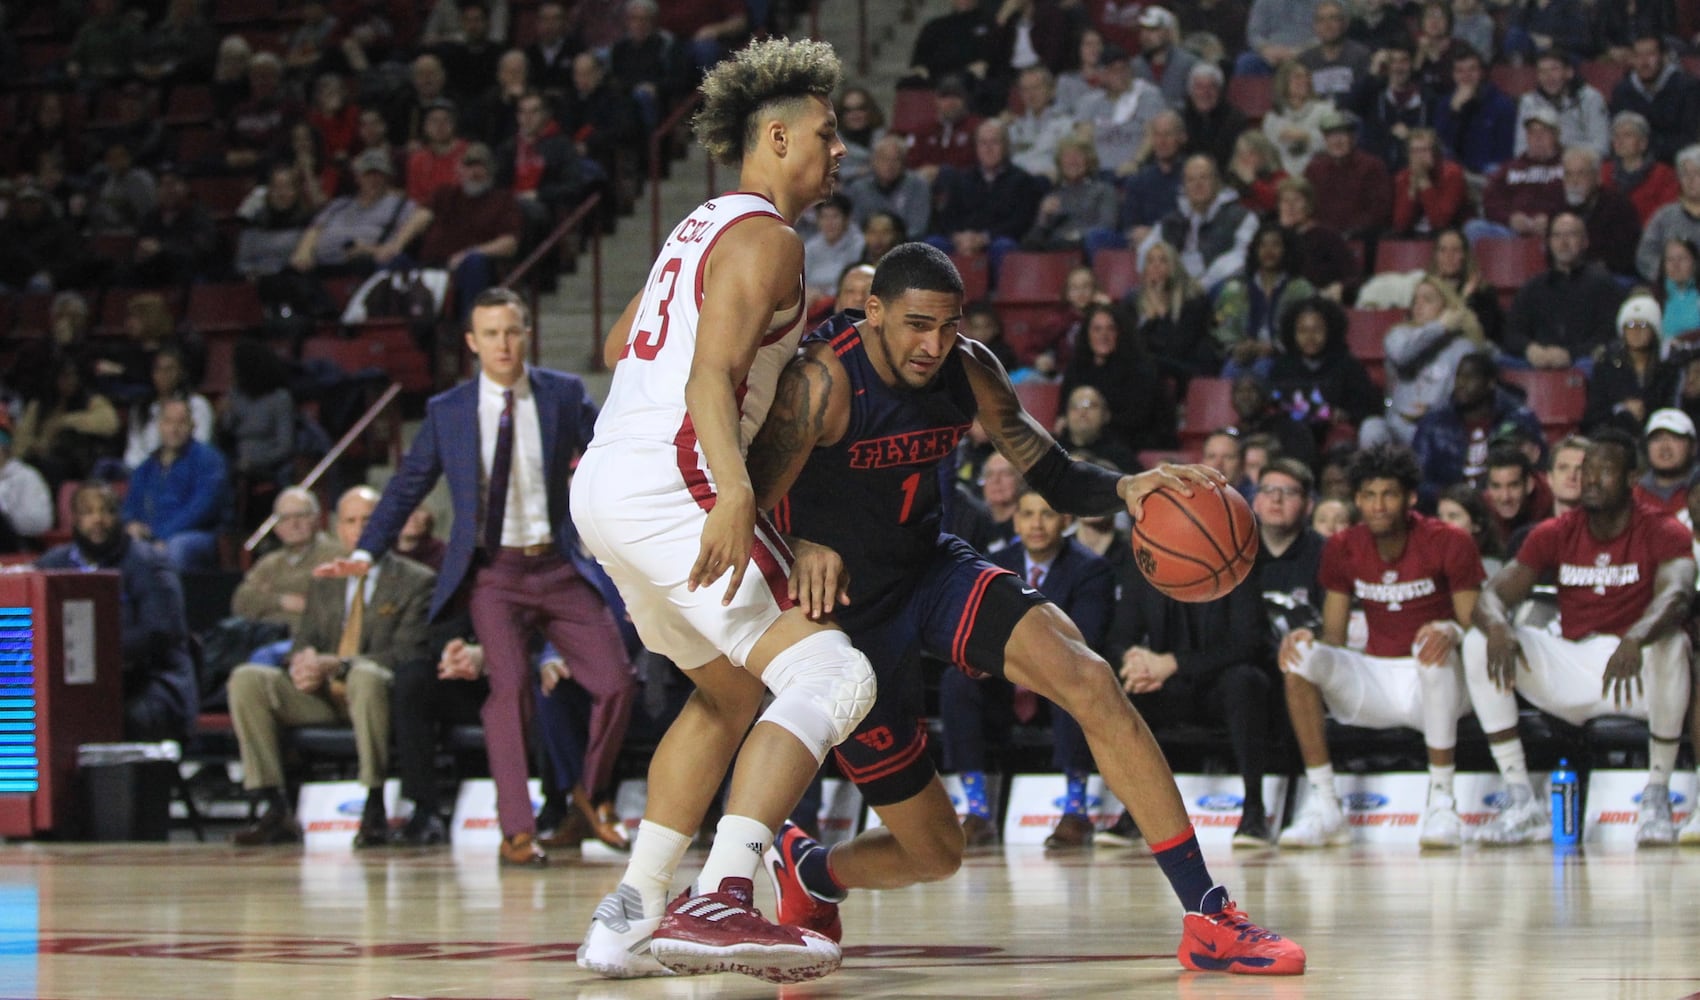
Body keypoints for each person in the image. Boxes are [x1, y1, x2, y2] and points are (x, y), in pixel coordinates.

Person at [748, 241, 1306, 975]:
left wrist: (1127, 488)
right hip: (844, 617)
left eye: (948, 326)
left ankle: (1208, 915)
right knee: (935, 852)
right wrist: (805, 542)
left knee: (1089, 678)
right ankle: (814, 874)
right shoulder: (821, 385)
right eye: (917, 325)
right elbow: (742, 502)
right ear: (872, 312)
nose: (933, 345)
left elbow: (1051, 470)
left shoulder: (967, 367)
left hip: (929, 570)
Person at [569, 39, 869, 984]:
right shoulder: (771, 238)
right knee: (834, 675)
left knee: (728, 692)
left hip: (604, 485)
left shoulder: (698, 227)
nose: (839, 153)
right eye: (827, 135)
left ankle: (630, 910)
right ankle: (724, 895)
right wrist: (735, 488)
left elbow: (625, 342)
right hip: (677, 479)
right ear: (775, 137)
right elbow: (709, 371)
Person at [318, 288, 635, 864]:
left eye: (512, 331)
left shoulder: (564, 394)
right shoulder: (450, 410)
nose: (503, 344)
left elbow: (612, 458)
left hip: (559, 565)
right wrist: (366, 553)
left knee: (616, 681)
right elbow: (407, 485)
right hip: (495, 572)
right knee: (509, 688)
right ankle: (517, 830)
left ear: (526, 333)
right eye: (491, 334)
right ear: (472, 342)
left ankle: (589, 797)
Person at [1463, 430, 1697, 846]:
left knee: (1672, 642)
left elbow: (1678, 594)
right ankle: (1521, 800)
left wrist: (1636, 635)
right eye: (1586, 470)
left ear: (1631, 477)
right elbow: (1493, 595)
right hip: (1573, 663)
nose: (1590, 479)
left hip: (1637, 671)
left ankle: (1657, 796)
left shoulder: (1662, 529)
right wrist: (1499, 625)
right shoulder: (1554, 531)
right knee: (1479, 640)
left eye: (1604, 470)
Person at [1277, 445, 1483, 849]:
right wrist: (1309, 638)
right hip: (1377, 676)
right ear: (1356, 500)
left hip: (1439, 684)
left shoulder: (1449, 541)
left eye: (1389, 494)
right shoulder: (1341, 547)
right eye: (1369, 496)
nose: (1378, 505)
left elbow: (1472, 622)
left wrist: (1449, 631)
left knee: (1432, 652)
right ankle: (1325, 803)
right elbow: (1335, 637)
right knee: (1299, 658)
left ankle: (1442, 802)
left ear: (1409, 498)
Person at [227, 486, 432, 847]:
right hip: (322, 695)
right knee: (248, 679)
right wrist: (302, 663)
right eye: (350, 521)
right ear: (338, 528)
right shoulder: (327, 578)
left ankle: (373, 804)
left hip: (376, 692)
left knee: (366, 676)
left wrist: (338, 664)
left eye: (367, 520)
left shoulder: (415, 580)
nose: (358, 529)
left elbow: (406, 654)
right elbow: (304, 641)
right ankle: (273, 805)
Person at [937, 484, 1115, 848]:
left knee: (1075, 681)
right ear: (1015, 521)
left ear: (1065, 520)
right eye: (1028, 514)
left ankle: (1076, 813)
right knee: (957, 681)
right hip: (1007, 684)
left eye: (1047, 514)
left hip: (1057, 684)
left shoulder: (1091, 569)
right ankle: (977, 812)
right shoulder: (993, 566)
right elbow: (976, 629)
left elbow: (1084, 638)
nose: (1037, 524)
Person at [38, 483, 197, 742]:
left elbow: (160, 632)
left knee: (115, 717)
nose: (97, 520)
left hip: (150, 682)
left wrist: (95, 655)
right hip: (76, 683)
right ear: (75, 520)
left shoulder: (149, 563)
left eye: (106, 511)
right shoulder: (54, 564)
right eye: (88, 512)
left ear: (119, 516)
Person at [1361, 276, 1486, 449]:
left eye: (1427, 299)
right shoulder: (1398, 334)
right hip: (1397, 430)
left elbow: (1471, 393)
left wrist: (1437, 412)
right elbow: (1403, 354)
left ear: (1447, 307)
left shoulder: (1462, 347)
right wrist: (1440, 327)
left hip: (1441, 431)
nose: (1418, 305)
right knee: (1371, 427)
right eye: (1415, 300)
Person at [1412, 351, 1545, 503]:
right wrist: (1447, 495)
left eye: (1470, 377)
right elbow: (1417, 478)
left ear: (1490, 383)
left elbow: (1539, 470)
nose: (1461, 383)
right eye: (1459, 376)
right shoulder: (1433, 424)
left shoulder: (1518, 420)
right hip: (1447, 509)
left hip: (1506, 504)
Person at [1502, 211, 1625, 371]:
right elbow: (1511, 333)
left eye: (1571, 235)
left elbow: (1609, 337)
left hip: (1583, 364)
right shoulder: (1533, 287)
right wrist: (1530, 349)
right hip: (1537, 363)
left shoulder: (1604, 285)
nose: (1563, 242)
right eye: (1557, 236)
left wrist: (1570, 354)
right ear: (1549, 242)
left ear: (1585, 241)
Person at [122, 399, 228, 572]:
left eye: (181, 422)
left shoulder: (209, 460)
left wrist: (161, 535)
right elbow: (129, 507)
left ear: (192, 426)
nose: (174, 429)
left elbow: (201, 510)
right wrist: (131, 524)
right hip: (150, 536)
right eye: (169, 422)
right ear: (159, 425)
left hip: (194, 535)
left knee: (177, 548)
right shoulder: (146, 467)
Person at [1138, 155, 1258, 291]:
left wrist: (1201, 285)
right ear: (1184, 186)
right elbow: (1145, 253)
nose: (1197, 184)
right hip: (1175, 288)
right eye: (1191, 180)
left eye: (1204, 178)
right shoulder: (1171, 221)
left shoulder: (1241, 218)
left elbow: (1240, 259)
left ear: (1216, 182)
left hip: (1216, 287)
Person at [231, 488, 342, 632]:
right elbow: (241, 601)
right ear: (276, 527)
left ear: (317, 519)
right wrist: (283, 601)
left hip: (308, 638)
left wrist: (270, 590)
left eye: (300, 516)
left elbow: (324, 601)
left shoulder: (336, 555)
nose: (293, 524)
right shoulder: (269, 563)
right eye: (285, 518)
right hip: (266, 636)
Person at [1608, 34, 1700, 166]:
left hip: (1675, 163)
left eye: (1650, 54)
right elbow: (1618, 135)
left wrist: (1644, 148)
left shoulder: (1688, 87)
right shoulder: (1622, 91)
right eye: (1638, 55)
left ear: (1664, 57)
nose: (1644, 62)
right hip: (1632, 164)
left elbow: (1689, 138)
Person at [1584, 294, 1664, 437]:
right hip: (1616, 435)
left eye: (1643, 325)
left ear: (1654, 330)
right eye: (1631, 325)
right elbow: (1593, 415)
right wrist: (1621, 409)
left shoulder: (1667, 368)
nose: (1636, 331)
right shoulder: (1606, 367)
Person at [1432, 44, 1516, 177]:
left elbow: (1504, 155)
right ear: (1453, 75)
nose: (1466, 76)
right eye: (1459, 71)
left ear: (1482, 73)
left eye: (1472, 70)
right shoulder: (1446, 104)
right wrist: (1454, 112)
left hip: (1488, 175)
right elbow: (1442, 145)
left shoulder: (1502, 104)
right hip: (1455, 174)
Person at [1516, 50, 1609, 158]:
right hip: (1541, 164)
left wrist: (1562, 152)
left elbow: (1602, 147)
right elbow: (1520, 149)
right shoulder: (1528, 101)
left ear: (1569, 72)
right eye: (1542, 71)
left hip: (1580, 165)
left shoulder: (1591, 98)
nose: (1548, 77)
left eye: (1554, 69)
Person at [1635, 145, 1700, 284]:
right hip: (1669, 289)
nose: (1690, 180)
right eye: (1685, 174)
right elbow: (1645, 255)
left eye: (1697, 173)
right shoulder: (1664, 216)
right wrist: (1670, 272)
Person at [1601, 112, 1676, 229]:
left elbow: (1665, 215)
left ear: (1643, 143)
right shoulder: (1603, 171)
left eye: (1627, 135)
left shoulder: (1664, 174)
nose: (1619, 141)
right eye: (1616, 136)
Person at [1633, 408, 1698, 517]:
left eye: (1674, 438)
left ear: (1693, 447)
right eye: (1656, 439)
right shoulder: (1633, 496)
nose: (1665, 447)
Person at [0, 415, 52, 550]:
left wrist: (6, 510)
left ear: (4, 449)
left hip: (16, 546)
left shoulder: (26, 477)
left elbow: (39, 523)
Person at [1437, 483, 1507, 577]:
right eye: (1440, 517)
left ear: (1476, 524)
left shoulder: (1491, 568)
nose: (1443, 524)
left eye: (1453, 516)